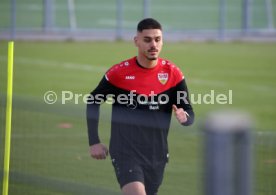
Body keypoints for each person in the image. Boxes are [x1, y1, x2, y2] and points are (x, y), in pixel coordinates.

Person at [86, 18, 194, 195]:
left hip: (157, 155)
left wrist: (185, 118)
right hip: (125, 152)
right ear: (136, 41)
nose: (153, 44)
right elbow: (93, 100)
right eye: (147, 40)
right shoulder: (119, 73)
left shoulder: (173, 73)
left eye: (157, 39)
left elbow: (188, 112)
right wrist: (94, 142)